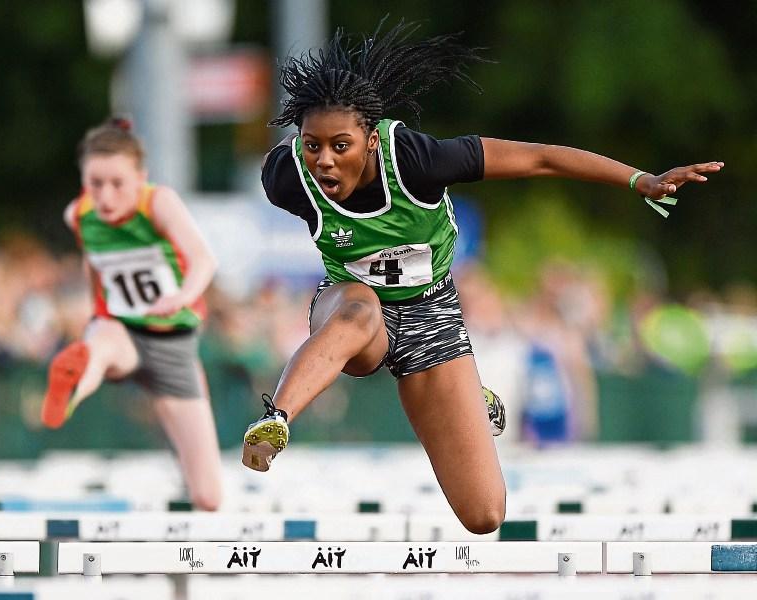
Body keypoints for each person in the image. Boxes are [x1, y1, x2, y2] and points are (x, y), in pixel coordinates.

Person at [244, 20, 723, 533]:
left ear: (371, 140)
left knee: (484, 515)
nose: (324, 162)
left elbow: (539, 159)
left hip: (431, 312)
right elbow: (296, 172)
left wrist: (638, 179)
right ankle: (275, 420)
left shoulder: (419, 161)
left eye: (341, 146)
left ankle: (468, 393)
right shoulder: (287, 176)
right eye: (312, 146)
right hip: (350, 305)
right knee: (361, 310)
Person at [40, 118, 223, 511]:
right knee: (100, 347)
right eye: (95, 184)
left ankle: (85, 370)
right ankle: (73, 384)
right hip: (122, 330)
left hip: (173, 344)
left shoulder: (157, 203)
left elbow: (204, 260)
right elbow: (94, 263)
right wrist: (95, 310)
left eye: (117, 184)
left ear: (141, 177)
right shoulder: (79, 215)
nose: (106, 197)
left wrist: (181, 296)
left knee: (208, 496)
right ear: (83, 181)